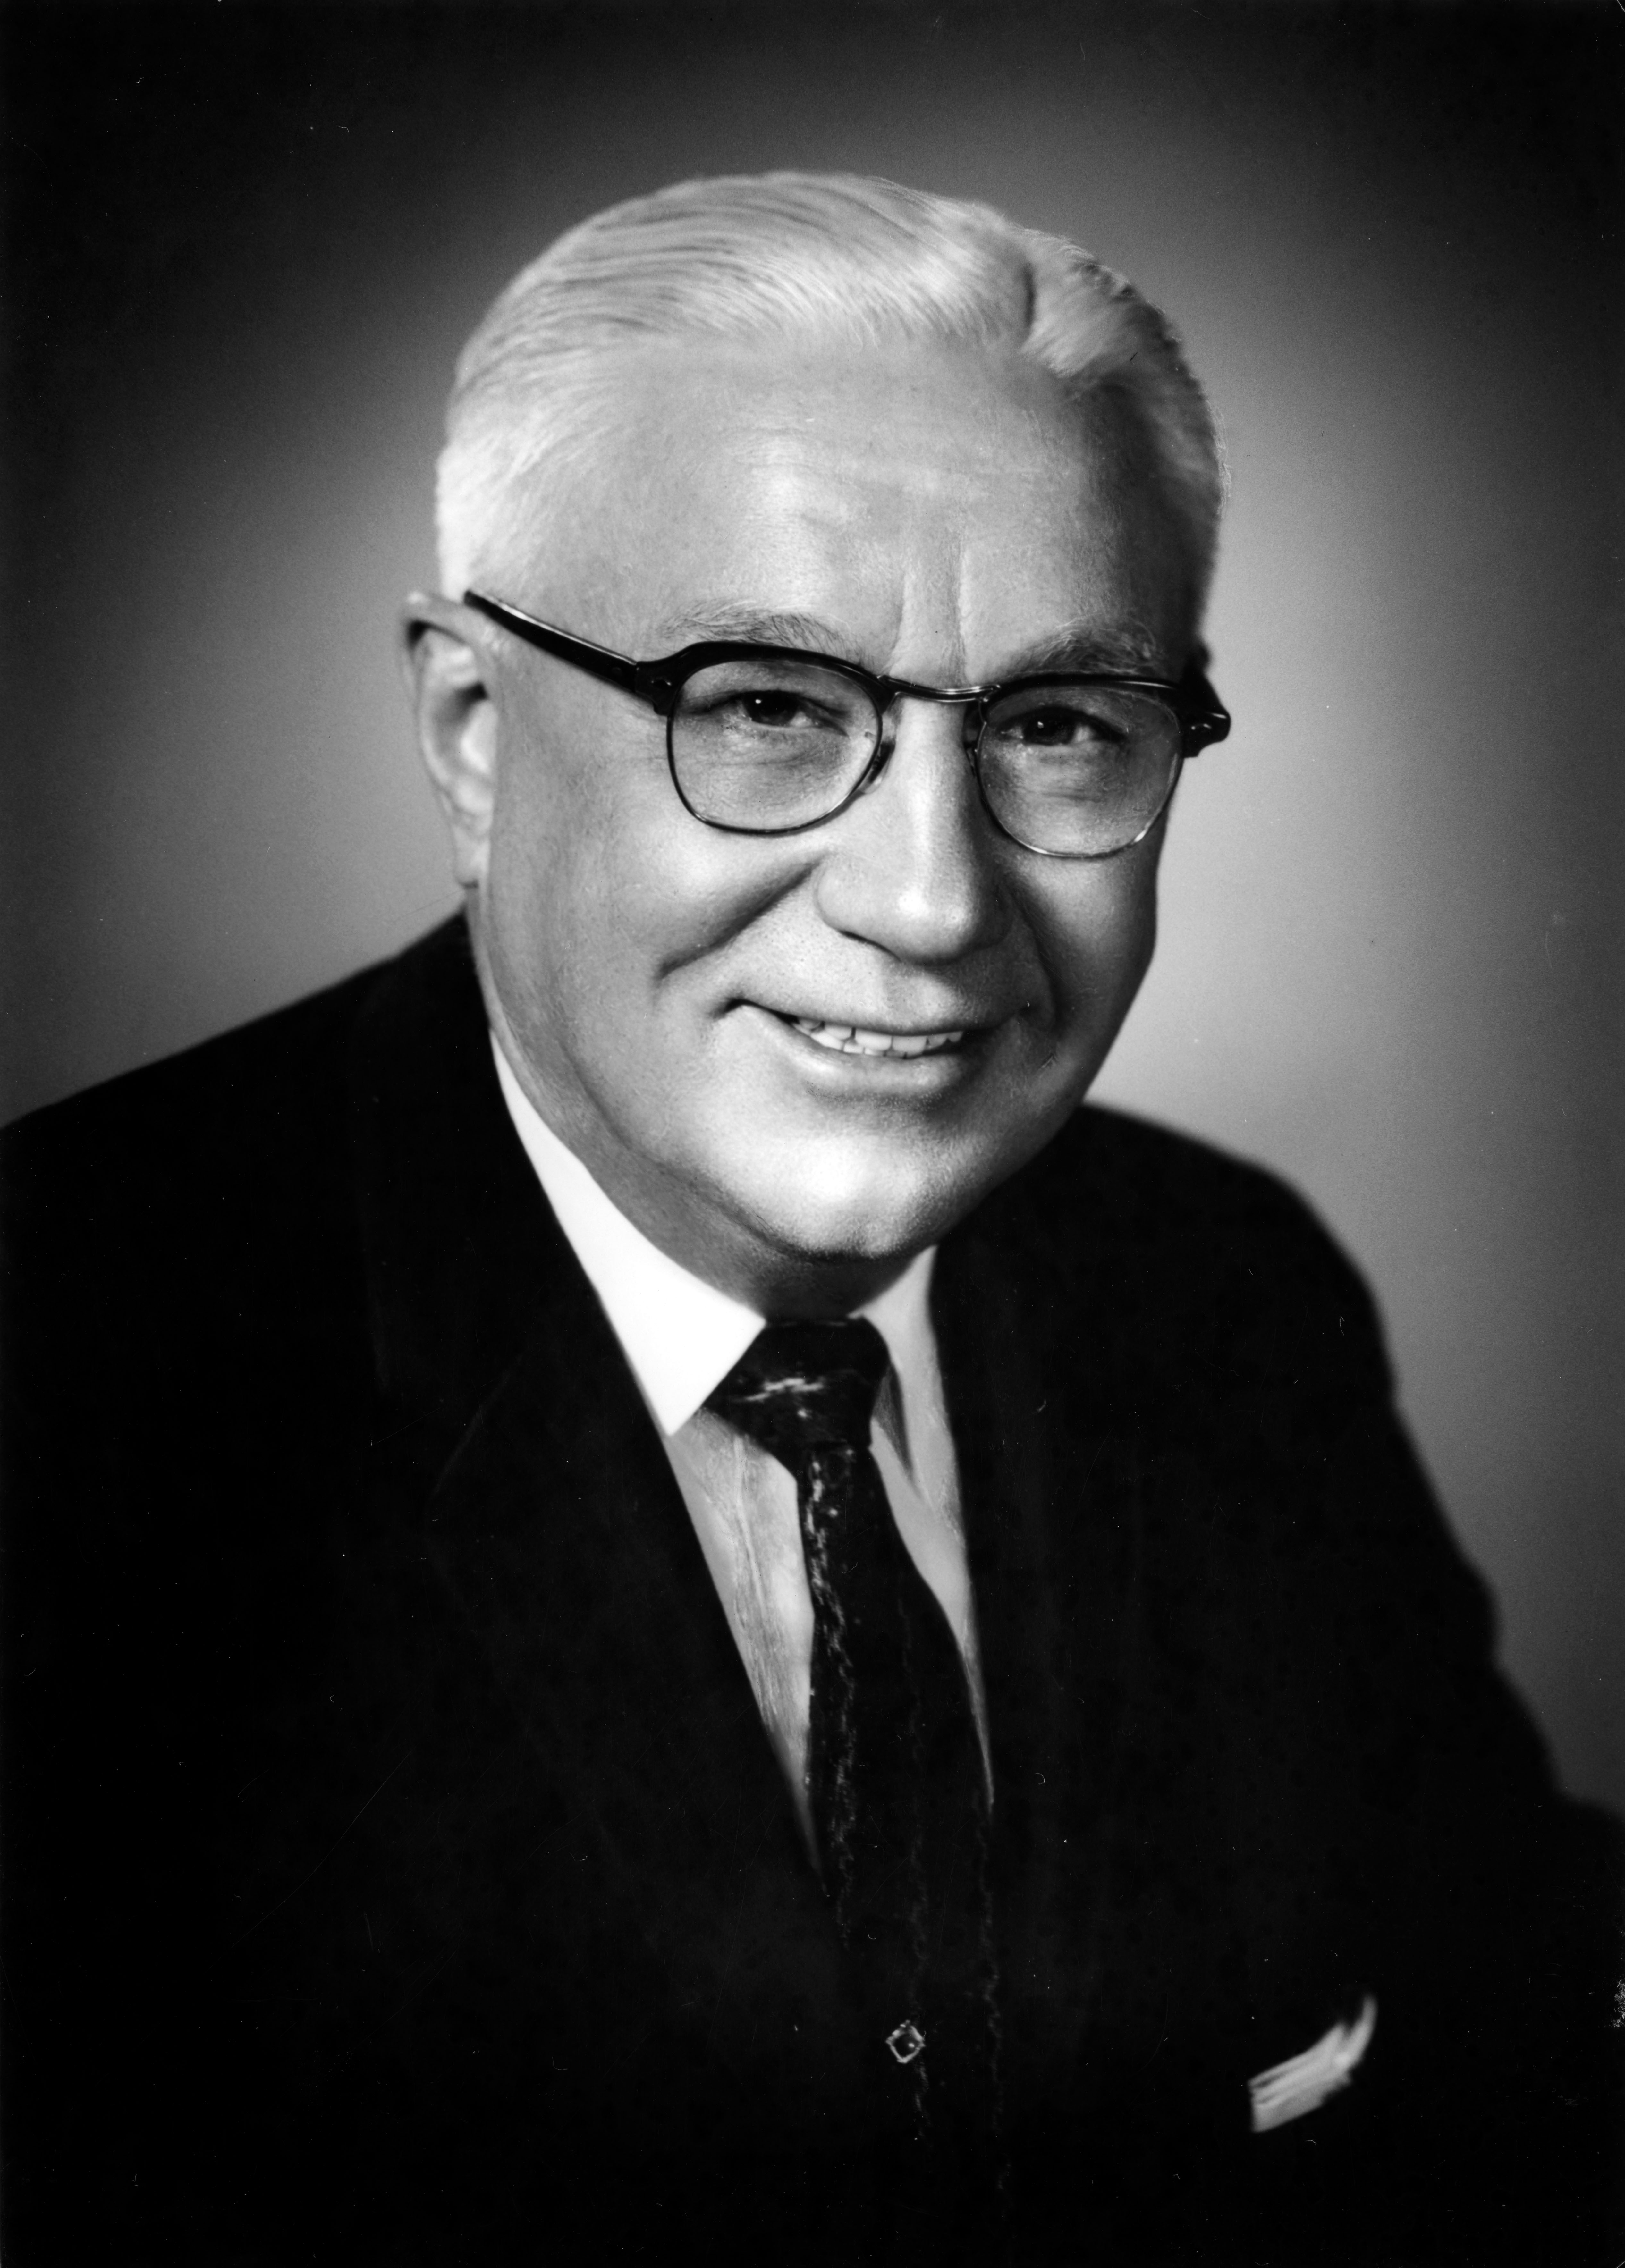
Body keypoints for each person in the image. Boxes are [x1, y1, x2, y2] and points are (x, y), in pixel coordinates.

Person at [1, 172, 1617, 2267]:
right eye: (767, 705)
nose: (931, 904)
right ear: (471, 737)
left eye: (1058, 726)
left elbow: (1514, 2027)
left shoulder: (1226, 1290)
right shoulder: (64, 1363)